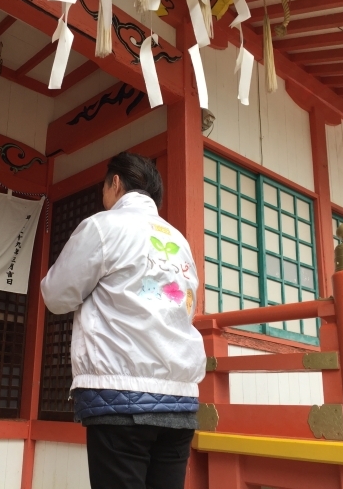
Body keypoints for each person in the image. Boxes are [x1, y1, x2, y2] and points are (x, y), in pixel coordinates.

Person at [41, 152, 206, 489]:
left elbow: (56, 295)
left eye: (104, 187)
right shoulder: (180, 243)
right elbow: (184, 309)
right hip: (180, 399)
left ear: (115, 183)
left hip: (121, 395)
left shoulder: (104, 226)